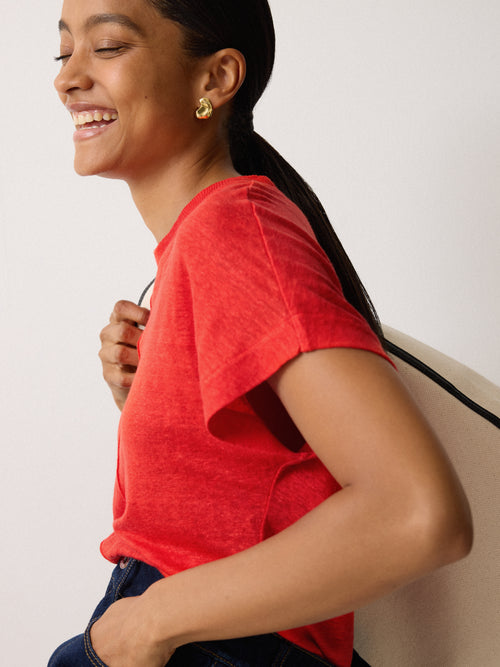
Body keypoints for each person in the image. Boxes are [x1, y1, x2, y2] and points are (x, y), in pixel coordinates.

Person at [48, 1, 473, 666]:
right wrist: (153, 396)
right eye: (62, 51)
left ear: (215, 78)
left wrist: (149, 620)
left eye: (106, 47)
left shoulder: (233, 232)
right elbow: (248, 488)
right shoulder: (205, 241)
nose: (67, 78)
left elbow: (415, 512)